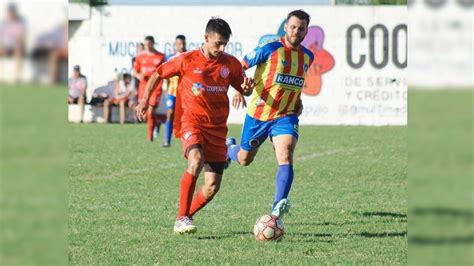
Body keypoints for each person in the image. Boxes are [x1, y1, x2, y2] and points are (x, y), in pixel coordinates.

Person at [135, 17, 254, 234]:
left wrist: (246, 89)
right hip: (192, 122)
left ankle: (186, 216)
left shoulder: (231, 63)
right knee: (196, 160)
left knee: (211, 187)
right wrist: (144, 101)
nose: (221, 48)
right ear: (206, 38)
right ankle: (181, 217)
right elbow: (158, 74)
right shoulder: (187, 59)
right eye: (218, 43)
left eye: (225, 43)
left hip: (217, 128)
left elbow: (243, 87)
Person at [226, 10, 314, 221]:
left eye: (301, 28)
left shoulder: (308, 56)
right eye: (293, 27)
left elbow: (296, 80)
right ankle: (228, 149)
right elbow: (239, 66)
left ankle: (277, 210)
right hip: (259, 115)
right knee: (244, 159)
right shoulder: (270, 49)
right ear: (286, 27)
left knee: (285, 155)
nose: (296, 31)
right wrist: (240, 87)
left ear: (306, 31)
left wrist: (298, 99)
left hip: (286, 115)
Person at [133, 36, 165, 141]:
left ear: (153, 43)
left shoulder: (161, 56)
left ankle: (149, 137)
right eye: (145, 44)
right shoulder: (140, 57)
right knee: (145, 114)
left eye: (149, 44)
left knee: (150, 111)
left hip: (156, 87)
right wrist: (139, 76)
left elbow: (164, 72)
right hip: (143, 87)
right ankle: (159, 121)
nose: (147, 46)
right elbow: (135, 71)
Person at [162, 35, 187, 147]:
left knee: (186, 116)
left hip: (185, 93)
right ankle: (167, 140)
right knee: (170, 114)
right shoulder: (170, 57)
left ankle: (187, 141)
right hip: (172, 92)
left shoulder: (188, 56)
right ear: (175, 45)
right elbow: (164, 73)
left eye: (182, 44)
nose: (181, 46)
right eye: (178, 44)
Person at [0, 3, 25, 83]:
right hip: (4, 46)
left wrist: (18, 44)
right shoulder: (2, 24)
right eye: (9, 11)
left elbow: (21, 37)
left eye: (12, 11)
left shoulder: (20, 24)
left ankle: (16, 78)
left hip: (15, 46)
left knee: (18, 51)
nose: (11, 13)